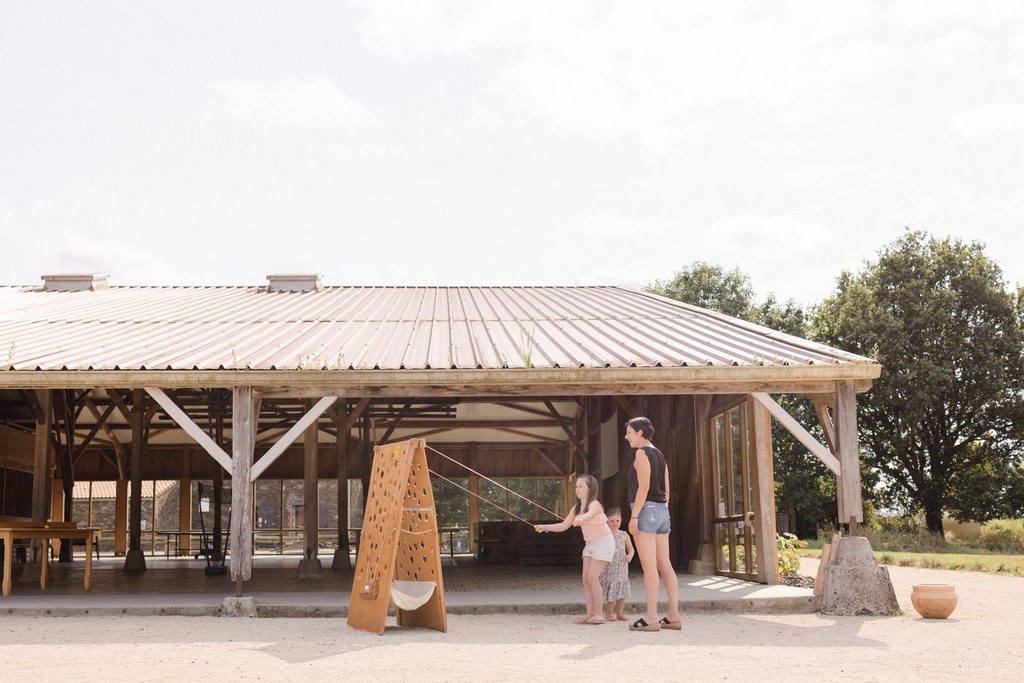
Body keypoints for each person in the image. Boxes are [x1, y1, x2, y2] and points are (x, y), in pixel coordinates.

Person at [625, 416, 682, 632]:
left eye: (629, 433)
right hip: (662, 511)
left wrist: (634, 516)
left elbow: (643, 487)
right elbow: (666, 489)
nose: (626, 437)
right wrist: (662, 509)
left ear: (640, 433)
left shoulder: (641, 453)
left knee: (649, 567)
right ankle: (674, 615)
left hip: (645, 511)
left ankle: (651, 617)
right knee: (664, 564)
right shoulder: (660, 454)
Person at [534, 474, 613, 625]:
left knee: (592, 577)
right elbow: (563, 526)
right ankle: (589, 614)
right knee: (585, 578)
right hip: (590, 545)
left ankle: (598, 614)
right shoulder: (576, 508)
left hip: (604, 543)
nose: (577, 489)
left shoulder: (595, 504)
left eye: (581, 486)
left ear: (590, 488)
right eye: (576, 486)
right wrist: (545, 527)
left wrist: (582, 518)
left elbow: (591, 513)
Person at [599, 507, 634, 621]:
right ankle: (608, 613)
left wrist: (630, 555)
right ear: (607, 521)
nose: (615, 523)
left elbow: (631, 549)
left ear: (621, 520)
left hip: (622, 567)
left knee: (622, 590)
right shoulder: (604, 534)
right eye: (612, 521)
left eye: (617, 521)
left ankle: (620, 613)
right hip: (608, 567)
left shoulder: (624, 535)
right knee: (612, 590)